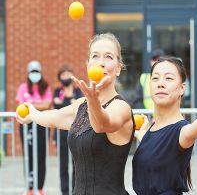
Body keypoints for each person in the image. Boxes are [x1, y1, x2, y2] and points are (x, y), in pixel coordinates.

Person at [16, 33, 135, 195]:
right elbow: (55, 118)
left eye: (108, 57)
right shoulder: (81, 105)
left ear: (119, 68)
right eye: (95, 56)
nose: (101, 63)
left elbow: (101, 124)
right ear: (88, 65)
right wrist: (32, 113)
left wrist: (93, 100)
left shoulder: (121, 107)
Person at [132, 56, 197, 195]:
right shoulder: (150, 132)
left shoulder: (182, 131)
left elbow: (193, 130)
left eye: (168, 78)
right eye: (155, 78)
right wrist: (141, 133)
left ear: (182, 88)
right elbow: (155, 146)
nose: (160, 84)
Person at [16, 60, 53, 195]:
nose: (34, 74)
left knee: (41, 155)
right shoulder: (23, 87)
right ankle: (30, 188)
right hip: (27, 126)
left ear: (40, 72)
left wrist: (30, 105)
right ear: (28, 73)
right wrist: (39, 105)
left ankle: (40, 187)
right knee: (29, 155)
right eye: (32, 72)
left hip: (42, 124)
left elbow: (48, 104)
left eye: (37, 71)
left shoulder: (46, 87)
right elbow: (20, 107)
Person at [53, 64, 82, 195]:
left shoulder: (78, 91)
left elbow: (79, 108)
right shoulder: (57, 92)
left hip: (75, 131)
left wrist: (65, 103)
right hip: (61, 132)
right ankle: (64, 192)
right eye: (63, 75)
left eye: (68, 74)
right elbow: (57, 111)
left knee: (76, 165)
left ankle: (75, 191)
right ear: (60, 77)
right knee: (63, 165)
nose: (66, 77)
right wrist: (70, 102)